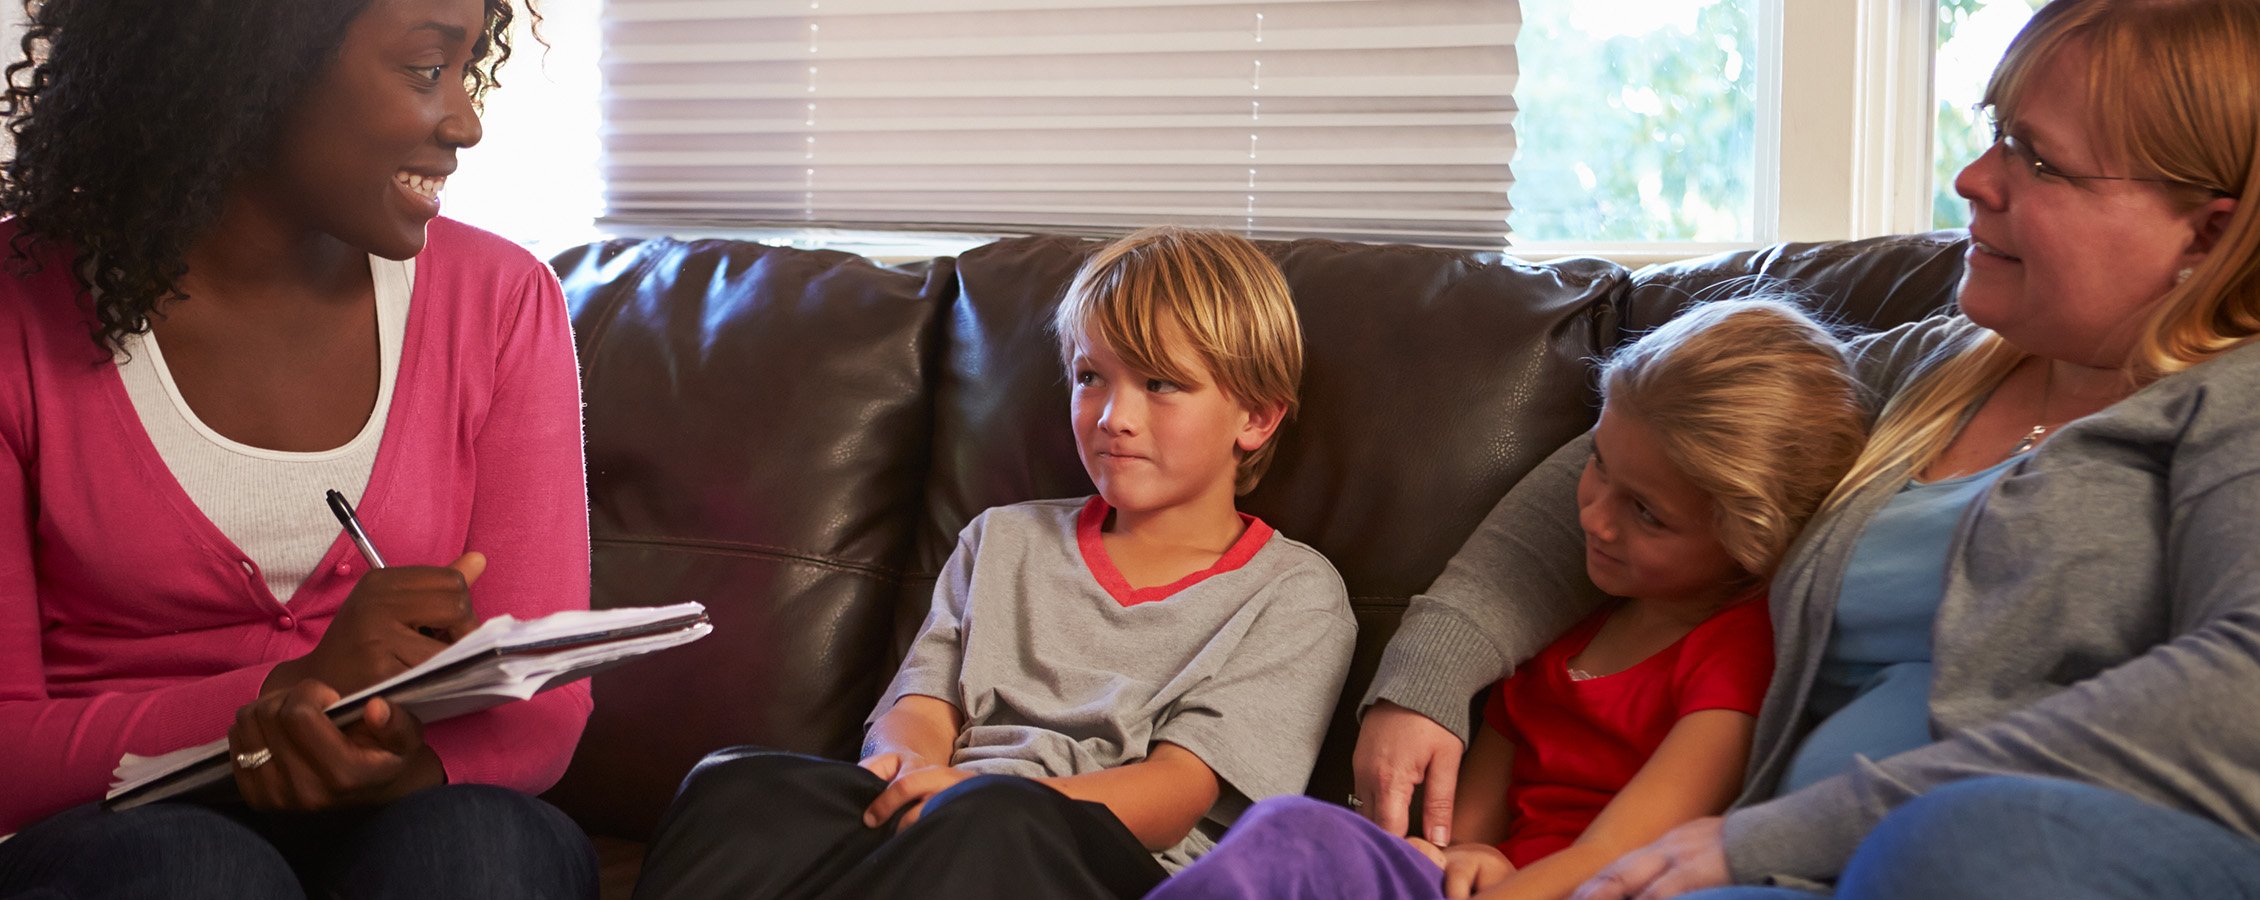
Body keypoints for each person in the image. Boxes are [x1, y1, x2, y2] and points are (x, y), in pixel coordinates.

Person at [1359, 1, 2260, 897]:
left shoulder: (2233, 409)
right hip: (1766, 863)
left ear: (2208, 232)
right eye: (1996, 135)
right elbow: (1655, 441)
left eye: (2040, 159)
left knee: (1960, 844)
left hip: (1983, 858)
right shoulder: (1934, 366)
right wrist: (1428, 678)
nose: (1975, 179)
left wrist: (1783, 834)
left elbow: (2239, 689)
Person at [0, 0, 598, 897]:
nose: (466, 121)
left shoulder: (503, 302)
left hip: (400, 798)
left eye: (467, 70)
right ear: (256, 66)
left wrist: (397, 768)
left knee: (483, 850)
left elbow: (543, 702)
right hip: (117, 833)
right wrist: (271, 702)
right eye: (426, 69)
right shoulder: (15, 309)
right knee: (193, 871)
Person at [628, 226, 1357, 900]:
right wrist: (911, 773)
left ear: (1256, 418)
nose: (1113, 417)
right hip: (953, 817)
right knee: (735, 786)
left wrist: (967, 800)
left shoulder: (1293, 594)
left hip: (1114, 862)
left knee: (996, 818)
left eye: (1160, 384)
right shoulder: (1002, 539)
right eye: (1090, 377)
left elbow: (1179, 791)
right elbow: (922, 703)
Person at [1145, 300, 1867, 900]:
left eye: (1646, 513)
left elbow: (1623, 856)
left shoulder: (1736, 653)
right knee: (1289, 834)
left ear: (1753, 540)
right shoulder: (1563, 635)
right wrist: (1457, 859)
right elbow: (1458, 835)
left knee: (1293, 838)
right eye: (1598, 468)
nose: (1594, 517)